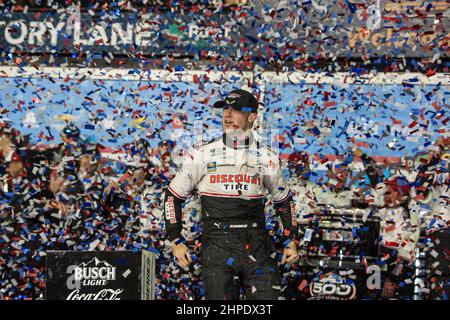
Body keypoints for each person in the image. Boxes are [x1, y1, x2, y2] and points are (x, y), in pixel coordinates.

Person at [163, 89, 299, 300]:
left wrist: (291, 240)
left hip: (258, 243)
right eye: (225, 108)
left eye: (236, 109)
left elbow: (284, 200)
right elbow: (173, 196)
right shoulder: (201, 154)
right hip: (217, 244)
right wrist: (175, 239)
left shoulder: (267, 157)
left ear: (252, 116)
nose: (228, 114)